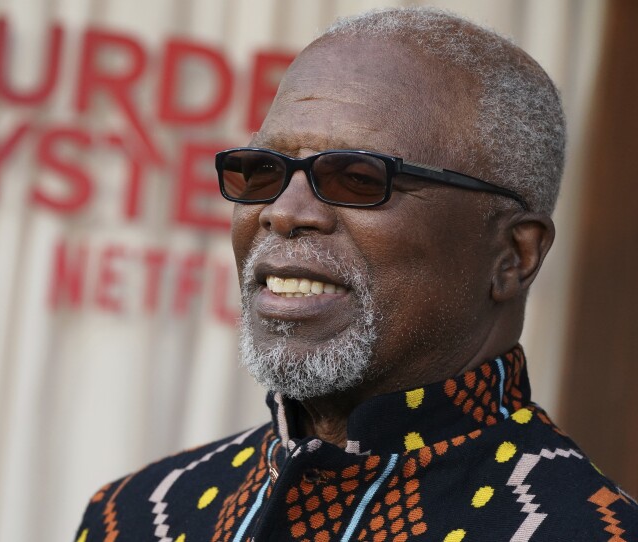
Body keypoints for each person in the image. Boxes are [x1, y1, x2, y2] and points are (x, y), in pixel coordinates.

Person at [74, 7, 638, 541]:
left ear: (514, 254)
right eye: (262, 171)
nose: (284, 211)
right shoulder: (138, 514)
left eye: (360, 178)